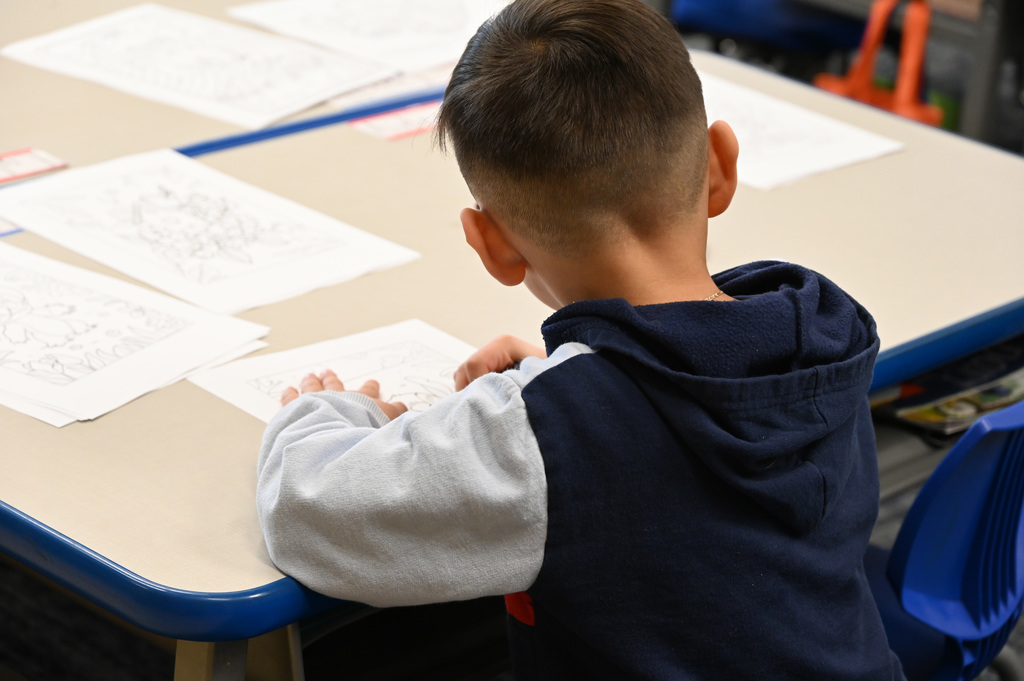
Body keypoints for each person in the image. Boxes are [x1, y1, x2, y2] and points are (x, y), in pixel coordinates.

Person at [257, 0, 904, 679]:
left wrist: (323, 413)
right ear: (719, 165)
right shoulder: (824, 336)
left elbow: (308, 513)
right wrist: (582, 378)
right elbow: (670, 446)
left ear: (494, 245)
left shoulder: (548, 435)